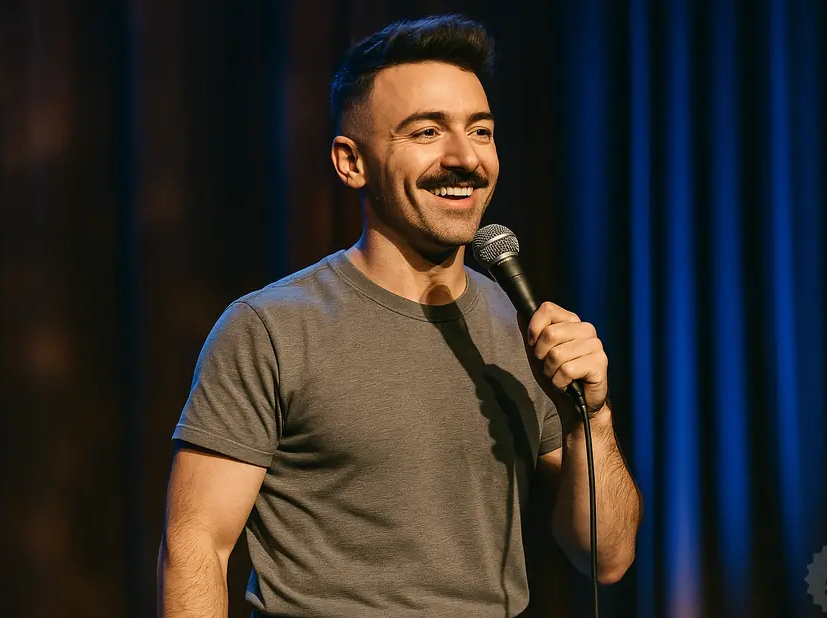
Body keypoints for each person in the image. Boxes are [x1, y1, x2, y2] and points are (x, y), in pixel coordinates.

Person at [157, 14, 641, 618]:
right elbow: (197, 544)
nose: (465, 157)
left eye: (481, 131)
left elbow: (607, 557)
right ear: (351, 162)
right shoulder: (271, 328)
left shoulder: (518, 323)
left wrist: (591, 418)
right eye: (426, 132)